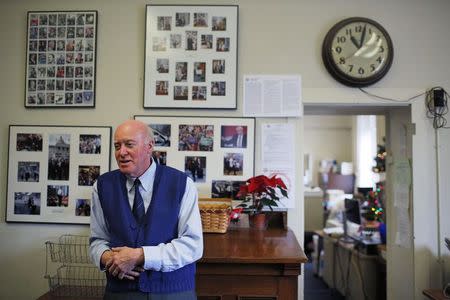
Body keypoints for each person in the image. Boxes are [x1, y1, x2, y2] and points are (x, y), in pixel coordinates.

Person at [89, 120, 203, 299]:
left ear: (149, 146)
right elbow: (97, 240)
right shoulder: (102, 186)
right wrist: (110, 258)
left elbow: (193, 245)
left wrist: (141, 256)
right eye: (117, 146)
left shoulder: (182, 184)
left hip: (173, 292)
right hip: (120, 292)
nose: (122, 152)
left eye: (129, 144)